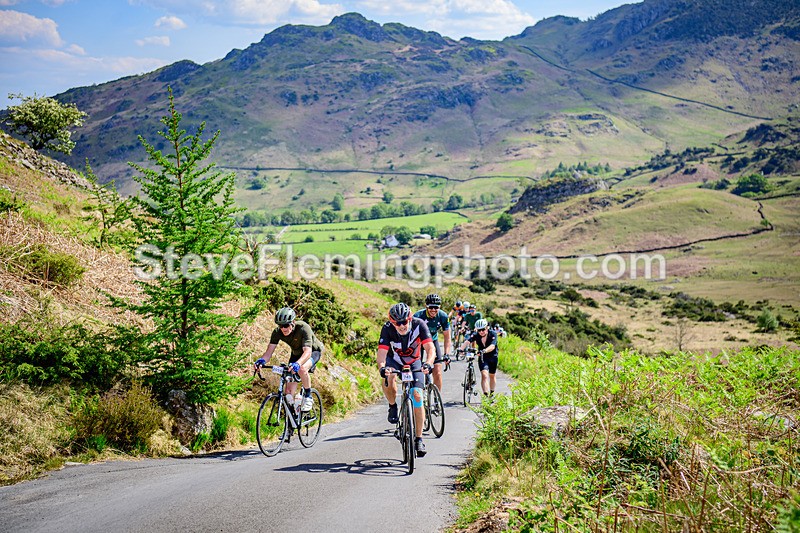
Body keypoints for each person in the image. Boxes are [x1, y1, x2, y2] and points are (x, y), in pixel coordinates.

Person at [377, 302, 436, 457]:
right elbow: (382, 354)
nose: (402, 326)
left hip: (414, 361)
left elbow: (430, 348)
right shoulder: (387, 328)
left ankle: (419, 439)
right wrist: (383, 368)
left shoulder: (420, 325)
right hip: (394, 360)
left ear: (410, 318)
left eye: (404, 322)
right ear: (392, 322)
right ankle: (392, 406)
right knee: (389, 378)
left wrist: (429, 363)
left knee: (417, 396)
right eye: (397, 323)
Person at [254, 307, 324, 412]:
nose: (283, 329)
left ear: (293, 323)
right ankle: (292, 417)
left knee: (302, 369)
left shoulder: (303, 328)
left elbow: (307, 352)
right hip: (296, 354)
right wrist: (261, 361)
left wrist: (298, 364)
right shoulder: (277, 332)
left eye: (286, 325)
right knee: (288, 391)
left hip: (312, 352)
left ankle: (308, 396)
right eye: (280, 326)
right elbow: (268, 353)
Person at [413, 293, 451, 393]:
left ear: (440, 307)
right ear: (426, 306)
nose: (433, 310)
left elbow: (447, 336)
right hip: (418, 342)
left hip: (433, 341)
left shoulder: (443, 316)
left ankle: (436, 399)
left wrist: (447, 354)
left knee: (437, 372)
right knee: (418, 369)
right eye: (431, 307)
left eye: (436, 307)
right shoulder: (418, 316)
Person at [459, 318, 498, 397]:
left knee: (492, 375)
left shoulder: (493, 334)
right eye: (479, 330)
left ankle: (492, 393)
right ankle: (486, 395)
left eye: (483, 329)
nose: (481, 332)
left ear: (487, 327)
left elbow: (492, 346)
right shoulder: (476, 334)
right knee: (484, 375)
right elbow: (467, 341)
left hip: (493, 356)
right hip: (483, 357)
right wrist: (461, 349)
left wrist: (484, 351)